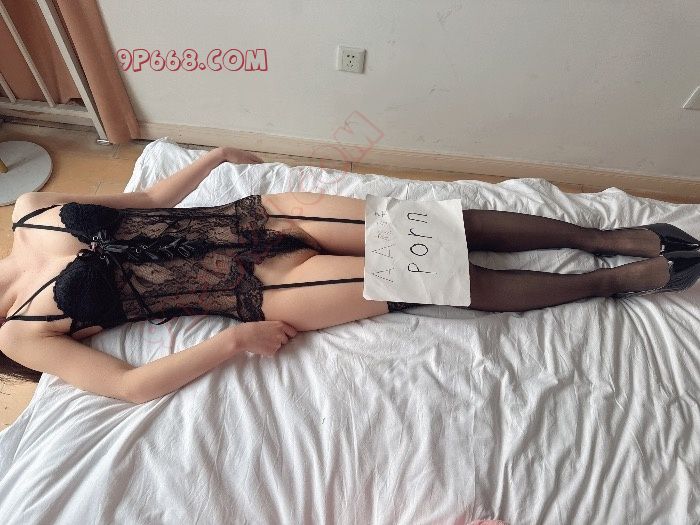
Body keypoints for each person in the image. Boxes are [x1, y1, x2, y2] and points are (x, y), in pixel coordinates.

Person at [1, 146, 699, 404]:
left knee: (438, 227)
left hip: (253, 215)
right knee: (438, 277)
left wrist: (211, 160)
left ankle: (601, 238)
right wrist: (232, 343)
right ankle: (612, 281)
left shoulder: (29, 207)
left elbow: (150, 200)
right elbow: (126, 386)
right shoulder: (20, 336)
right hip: (258, 289)